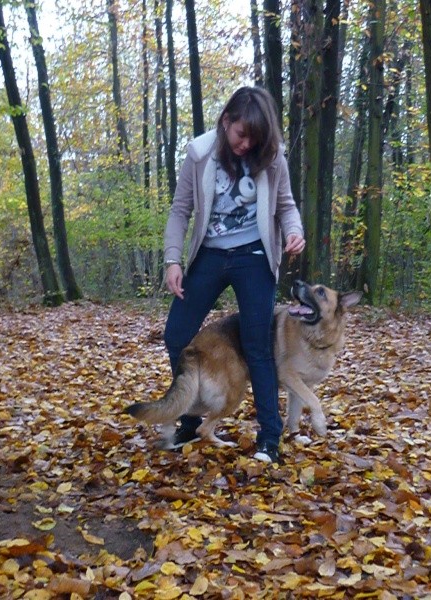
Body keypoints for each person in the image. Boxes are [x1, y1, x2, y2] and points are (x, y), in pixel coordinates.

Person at [162, 86, 305, 464]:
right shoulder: (199, 154)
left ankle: (269, 439)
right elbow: (180, 211)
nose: (246, 145)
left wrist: (294, 231)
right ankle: (191, 422)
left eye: (253, 140)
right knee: (176, 334)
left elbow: (286, 206)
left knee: (258, 345)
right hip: (210, 253)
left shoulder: (273, 159)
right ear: (226, 121)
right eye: (241, 135)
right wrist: (173, 260)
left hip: (254, 256)